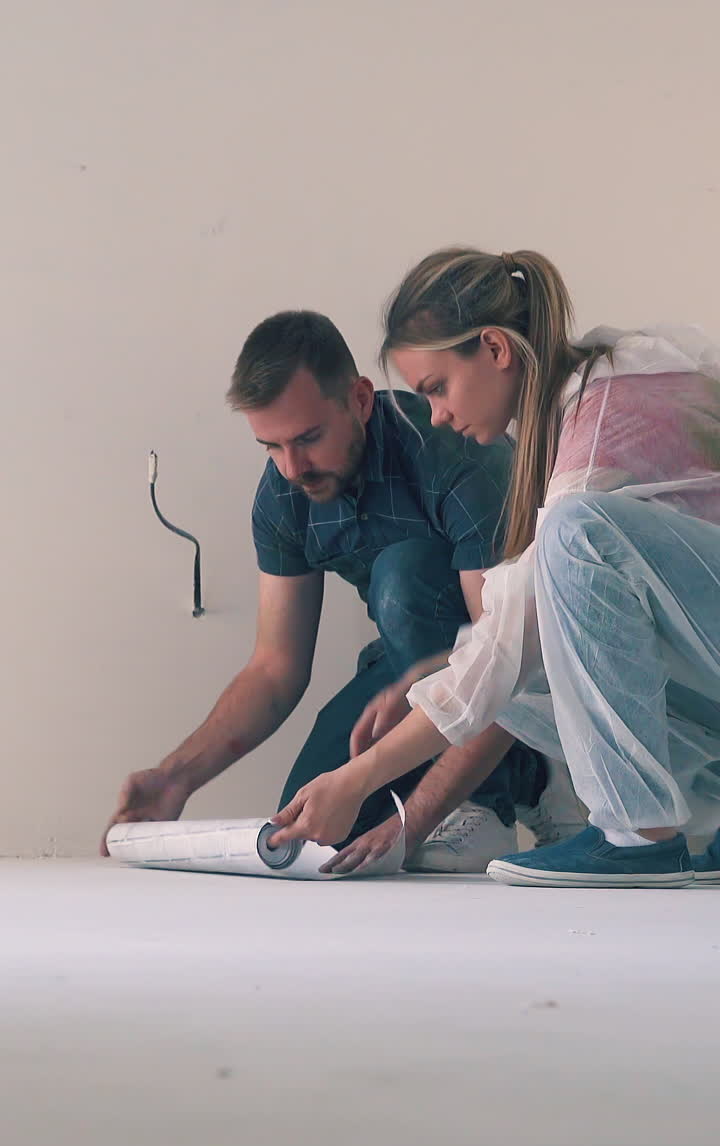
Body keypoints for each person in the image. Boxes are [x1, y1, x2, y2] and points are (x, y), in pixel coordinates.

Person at [269, 251, 720, 887]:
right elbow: (512, 647)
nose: (437, 416)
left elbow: (508, 642)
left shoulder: (612, 402)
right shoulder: (569, 414)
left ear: (495, 349)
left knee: (572, 540)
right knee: (530, 659)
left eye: (436, 388)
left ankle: (638, 836)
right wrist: (434, 682)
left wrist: (359, 778)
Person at [103, 310, 573, 869]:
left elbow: (507, 660)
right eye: (271, 447)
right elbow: (274, 670)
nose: (292, 466)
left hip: (526, 667)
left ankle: (508, 790)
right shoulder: (283, 491)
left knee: (401, 577)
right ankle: (465, 786)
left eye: (308, 438)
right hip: (409, 670)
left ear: (360, 400)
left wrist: (411, 823)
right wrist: (176, 777)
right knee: (305, 826)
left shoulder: (457, 454)